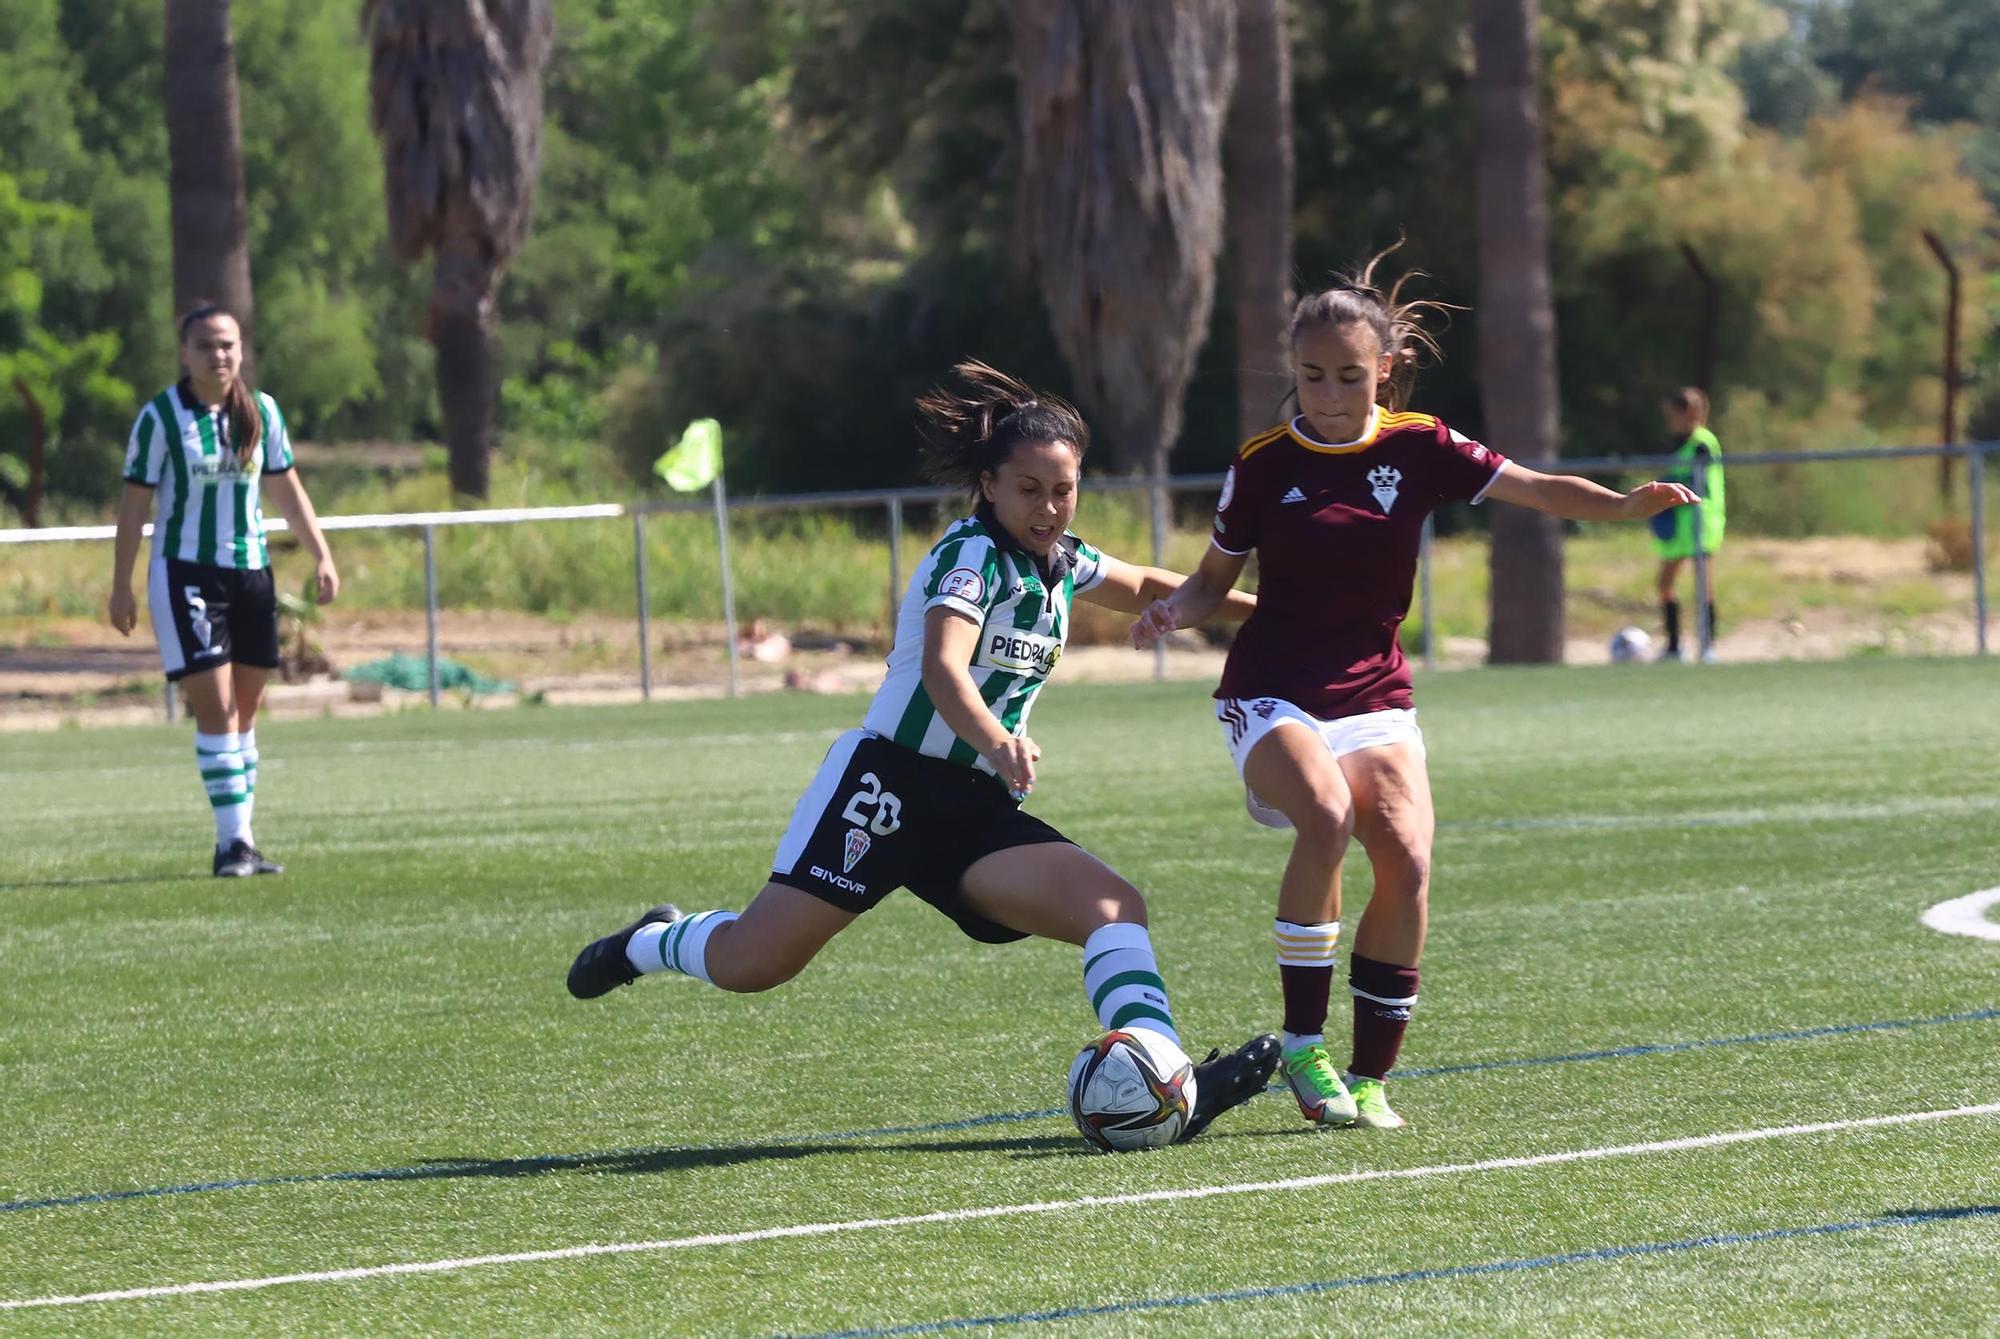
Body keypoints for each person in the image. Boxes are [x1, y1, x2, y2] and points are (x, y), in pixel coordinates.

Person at [568, 362, 1281, 1142]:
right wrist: (998, 738)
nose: (1048, 507)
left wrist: (1272, 612)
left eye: (1063, 490)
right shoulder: (970, 556)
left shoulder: (1063, 561)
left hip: (973, 810)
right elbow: (945, 669)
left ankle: (1171, 1082)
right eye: (1029, 489)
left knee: (1114, 908)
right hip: (887, 788)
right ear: (989, 485)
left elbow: (1147, 581)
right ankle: (650, 940)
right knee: (753, 963)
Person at [1131, 249, 1699, 1131]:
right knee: (1326, 817)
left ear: (1385, 370)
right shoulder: (1261, 464)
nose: (1328, 393)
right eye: (1312, 375)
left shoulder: (1423, 445)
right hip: (1271, 689)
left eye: (1350, 375)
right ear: (1294, 371)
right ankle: (1302, 1044)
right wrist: (1174, 610)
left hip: (1373, 693)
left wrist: (1623, 507)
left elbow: (1535, 487)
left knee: (1408, 858)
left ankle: (1368, 1077)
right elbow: (1212, 580)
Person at [107, 303, 340, 877]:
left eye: (229, 344)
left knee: (248, 708)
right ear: (185, 354)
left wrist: (321, 553)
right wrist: (121, 585)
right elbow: (135, 505)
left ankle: (244, 841)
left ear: (242, 350)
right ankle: (230, 843)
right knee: (215, 708)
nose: (220, 355)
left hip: (252, 571)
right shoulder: (161, 417)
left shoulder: (260, 412)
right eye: (207, 345)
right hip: (187, 572)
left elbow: (286, 489)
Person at [1651, 386, 1726, 662]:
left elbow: (1701, 480)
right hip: (1677, 525)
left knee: (1703, 585)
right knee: (1664, 583)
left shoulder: (1703, 442)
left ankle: (1707, 646)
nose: (1670, 420)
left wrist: (1673, 484)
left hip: (1699, 522)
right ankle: (1673, 646)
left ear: (1691, 413)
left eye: (1673, 414)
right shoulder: (1675, 442)